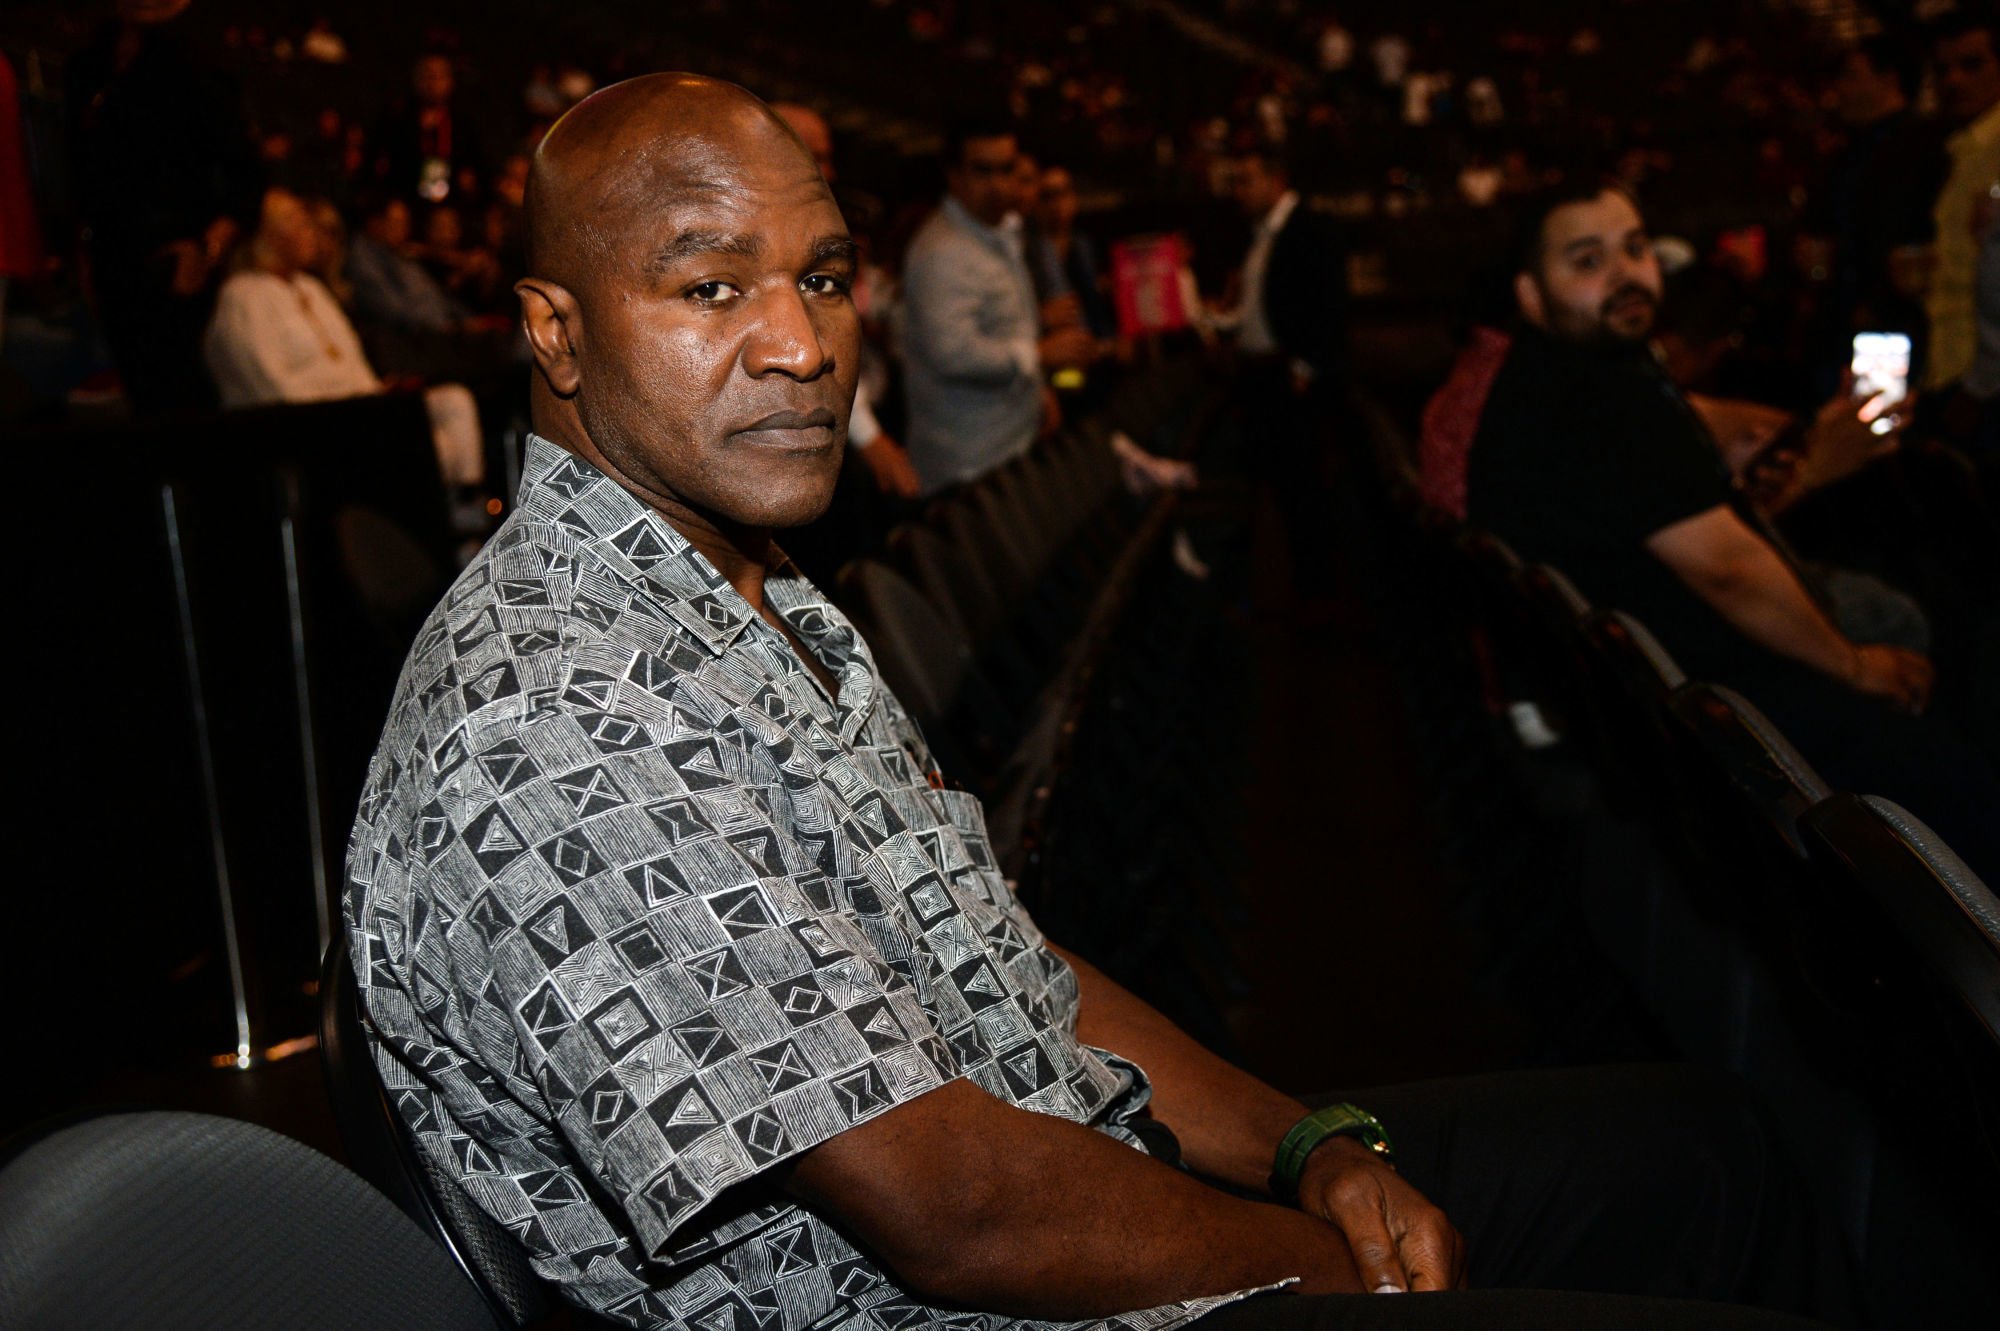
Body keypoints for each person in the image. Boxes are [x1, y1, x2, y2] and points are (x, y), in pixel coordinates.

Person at [345, 73, 1838, 1331]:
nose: (803, 345)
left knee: (1716, 1154)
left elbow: (1002, 955)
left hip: (1072, 1181)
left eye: (823, 276)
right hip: (987, 1304)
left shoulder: (754, 585)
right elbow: (957, 1213)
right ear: (555, 333)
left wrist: (1307, 1143)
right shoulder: (549, 709)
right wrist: (1331, 1265)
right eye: (710, 286)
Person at [1467, 180, 2000, 875]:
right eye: (1588, 261)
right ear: (1532, 295)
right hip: (1703, 718)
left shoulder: (1572, 373)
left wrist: (1803, 447)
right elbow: (1728, 572)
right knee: (1950, 745)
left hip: (1647, 700)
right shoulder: (1595, 399)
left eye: (1635, 248)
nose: (1626, 274)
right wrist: (1855, 665)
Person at [203, 187, 484, 490]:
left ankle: (466, 506)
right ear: (269, 234)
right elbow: (271, 389)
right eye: (298, 223)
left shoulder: (310, 287)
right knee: (413, 444)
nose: (311, 233)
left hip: (356, 411)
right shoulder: (242, 296)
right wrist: (351, 409)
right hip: (309, 427)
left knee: (453, 401)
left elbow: (350, 360)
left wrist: (373, 395)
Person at [900, 116, 1096, 493]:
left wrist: (1037, 391)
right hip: (968, 463)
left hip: (1006, 443)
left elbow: (1006, 326)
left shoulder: (996, 231)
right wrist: (1038, 356)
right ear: (955, 176)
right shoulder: (944, 251)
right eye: (983, 171)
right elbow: (953, 354)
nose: (998, 185)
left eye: (1006, 170)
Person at [1922, 7, 2000, 398]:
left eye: (1972, 65)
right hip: (1953, 367)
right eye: (1943, 70)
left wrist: (1983, 379)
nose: (1954, 80)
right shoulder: (1962, 146)